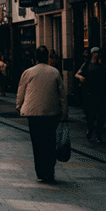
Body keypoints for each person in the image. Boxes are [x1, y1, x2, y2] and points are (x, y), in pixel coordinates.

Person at [16, 45, 67, 184]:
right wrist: (64, 113)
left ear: (35, 58)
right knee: (50, 142)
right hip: (51, 113)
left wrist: (19, 106)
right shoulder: (55, 72)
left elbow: (21, 91)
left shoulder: (28, 72)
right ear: (47, 58)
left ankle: (40, 173)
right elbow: (62, 94)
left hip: (34, 113)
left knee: (37, 143)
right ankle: (50, 172)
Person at [75, 46, 106, 143]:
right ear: (92, 53)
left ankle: (98, 136)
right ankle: (90, 129)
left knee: (100, 116)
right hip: (90, 93)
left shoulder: (102, 66)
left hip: (101, 93)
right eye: (96, 52)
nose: (98, 54)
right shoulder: (86, 65)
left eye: (99, 53)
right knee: (91, 115)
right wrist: (80, 77)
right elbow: (77, 74)